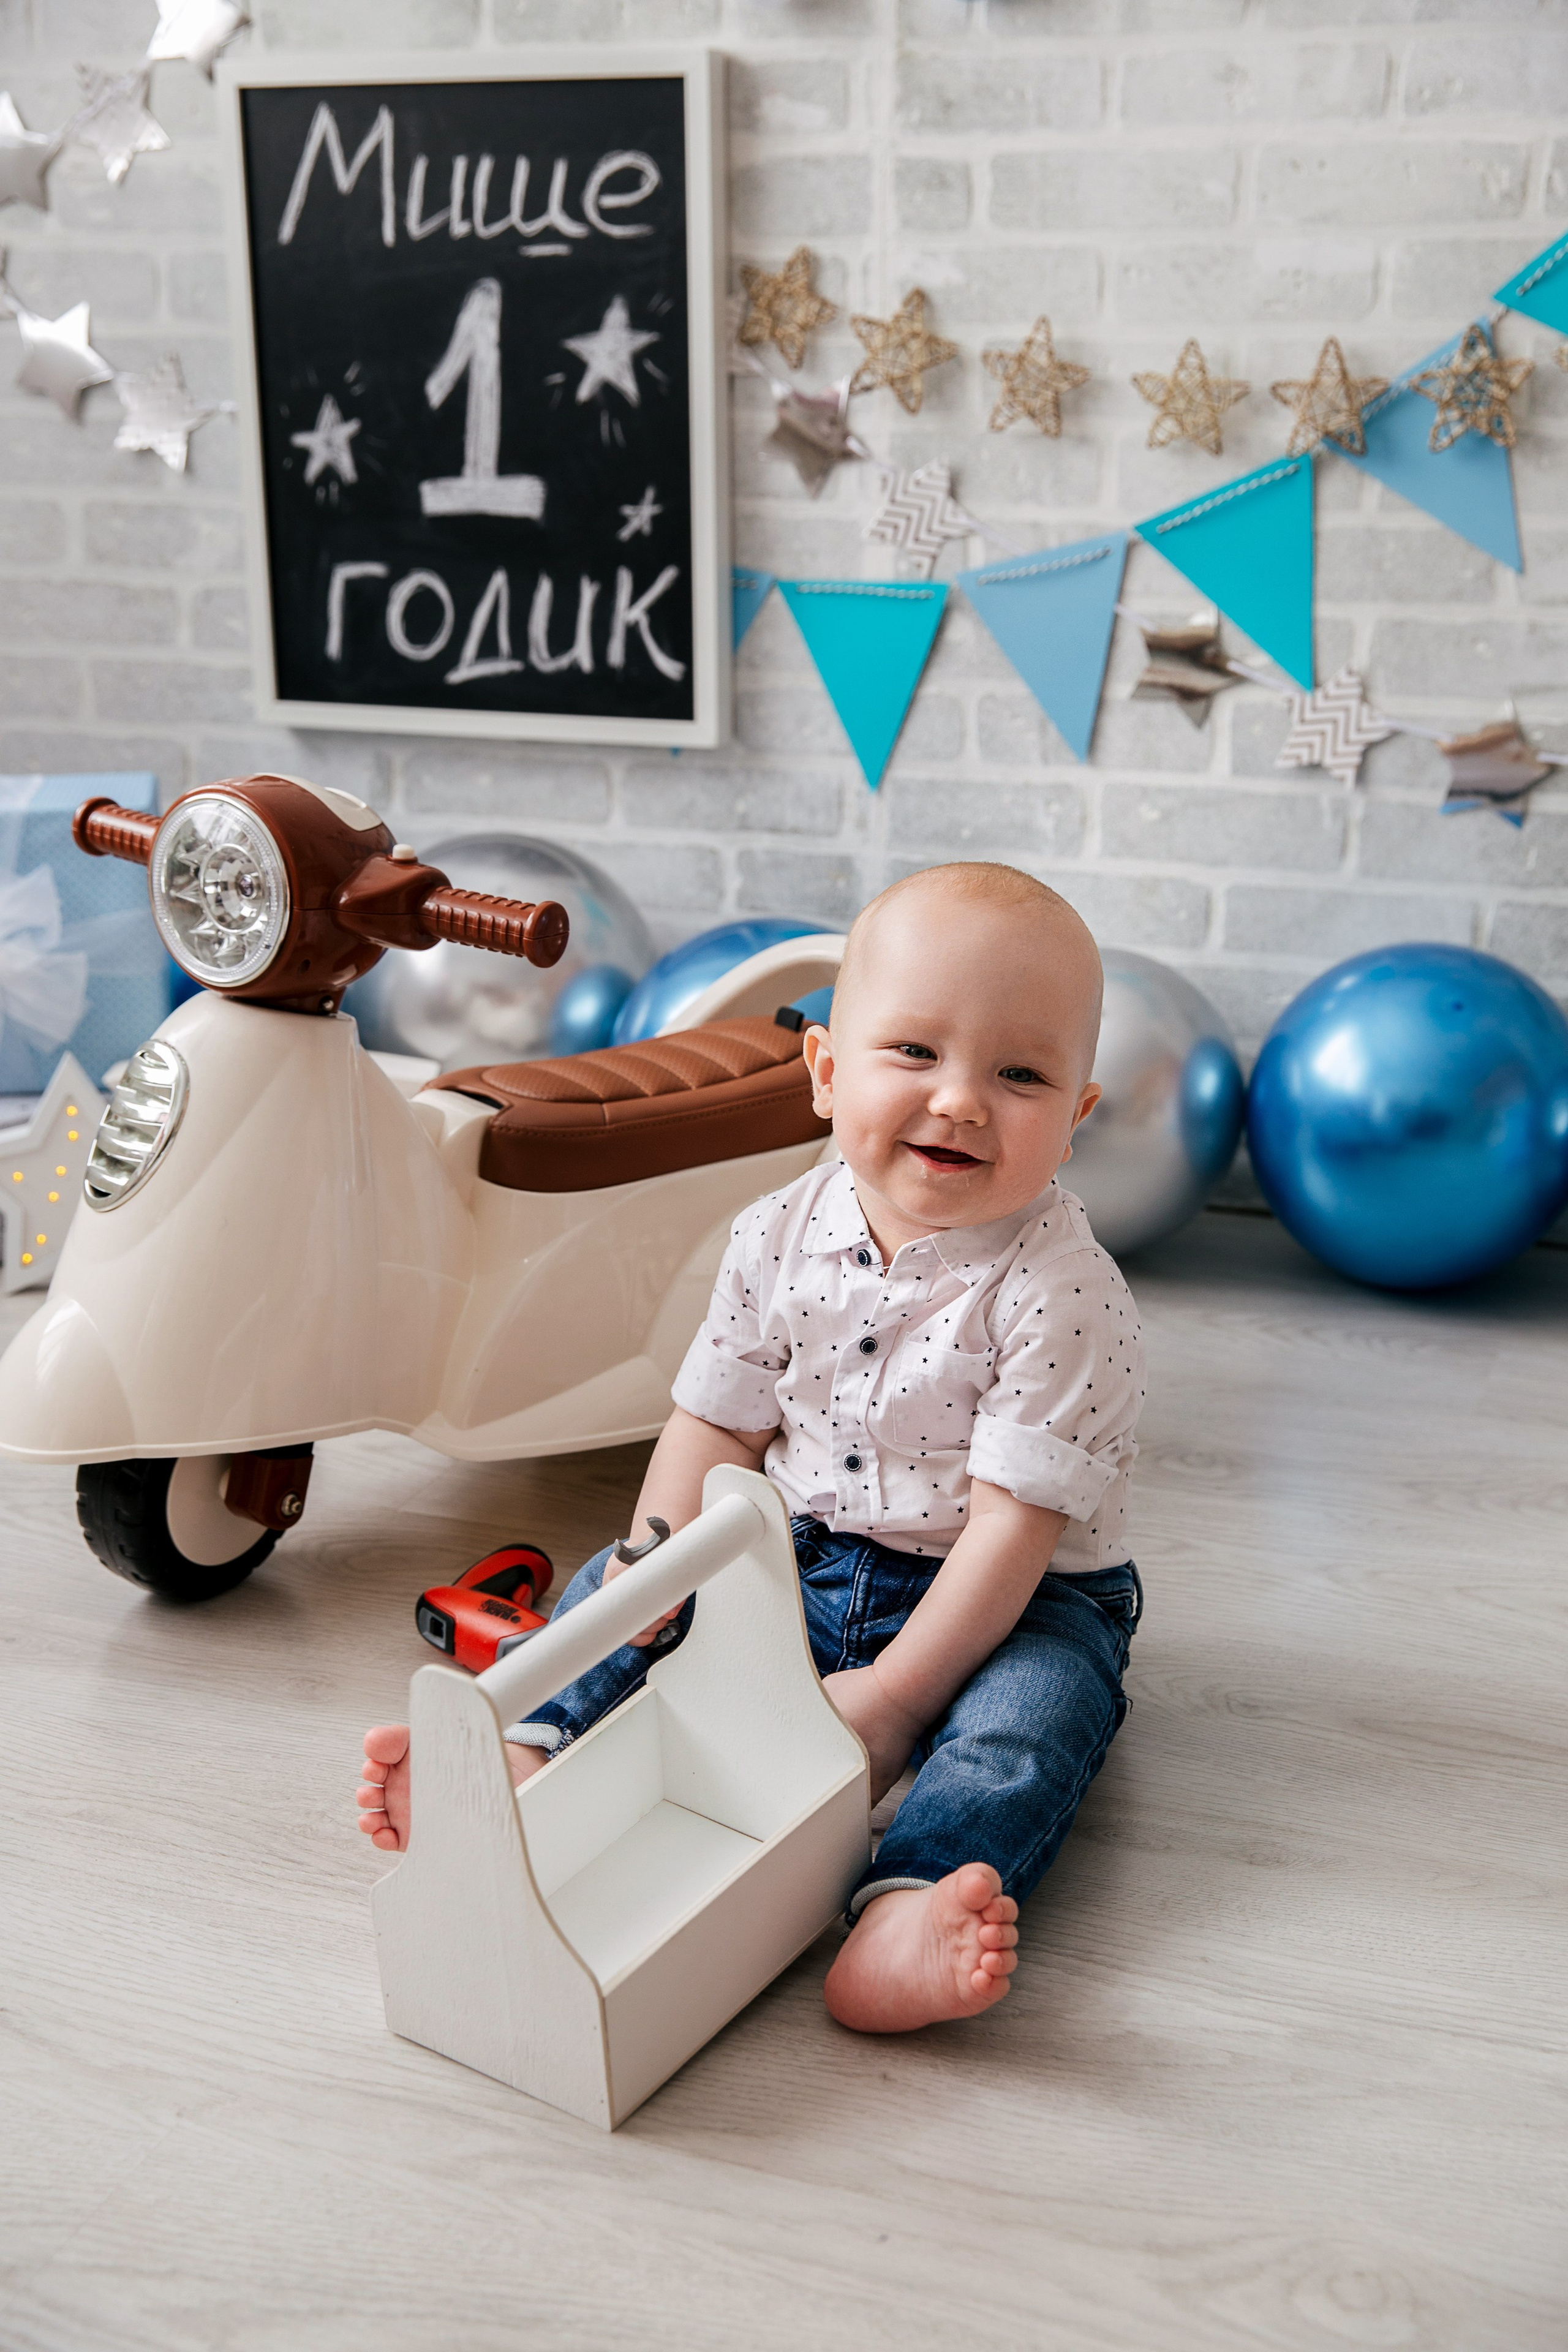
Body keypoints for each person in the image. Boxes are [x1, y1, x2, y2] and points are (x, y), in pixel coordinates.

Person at [356, 862, 1145, 2035]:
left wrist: (889, 1702)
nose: (962, 1101)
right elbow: (718, 1423)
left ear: (1075, 1119)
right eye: (915, 1053)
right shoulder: (777, 1232)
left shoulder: (1065, 1294)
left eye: (1020, 1074)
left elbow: (1011, 1530)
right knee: (615, 1592)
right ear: (826, 1073)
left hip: (1015, 1592)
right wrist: (654, 1572)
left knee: (1034, 1719)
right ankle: (525, 1760)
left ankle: (908, 1902)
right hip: (796, 1540)